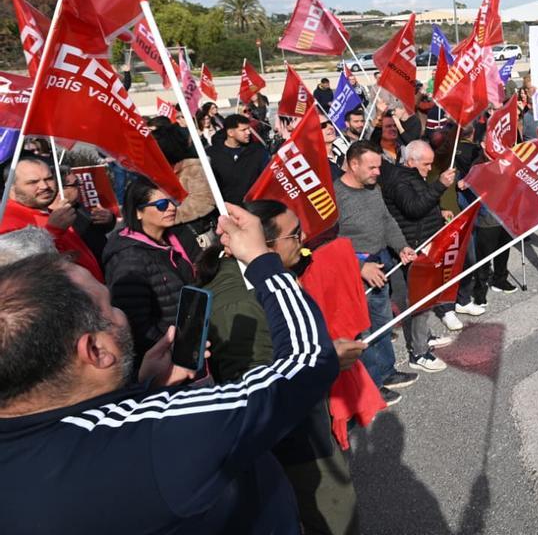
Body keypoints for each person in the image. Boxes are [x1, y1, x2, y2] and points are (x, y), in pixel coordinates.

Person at [0, 205, 341, 533]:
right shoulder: (156, 438)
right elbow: (306, 364)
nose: (121, 314)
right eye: (111, 306)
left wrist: (141, 389)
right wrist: (263, 263)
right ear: (95, 349)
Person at [197, 200, 365, 533]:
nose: (303, 239)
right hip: (294, 446)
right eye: (294, 235)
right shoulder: (238, 304)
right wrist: (326, 358)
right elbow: (261, 393)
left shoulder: (262, 279)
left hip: (301, 432)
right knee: (336, 521)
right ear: (264, 243)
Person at [333, 141, 425, 386]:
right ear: (353, 165)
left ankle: (386, 371)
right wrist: (359, 267)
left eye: (379, 167)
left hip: (380, 263)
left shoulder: (373, 188)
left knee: (382, 320)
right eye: (372, 167)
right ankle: (371, 385)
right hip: (354, 270)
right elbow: (327, 244)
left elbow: (386, 220)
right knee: (363, 329)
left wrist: (402, 246)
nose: (377, 172)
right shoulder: (335, 195)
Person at [102, 176, 199, 363]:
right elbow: (136, 325)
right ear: (138, 212)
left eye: (173, 201)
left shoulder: (175, 237)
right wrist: (170, 350)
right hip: (167, 357)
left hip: (190, 340)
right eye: (162, 205)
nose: (171, 208)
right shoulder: (129, 258)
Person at [380, 140, 465, 337]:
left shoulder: (415, 175)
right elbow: (414, 208)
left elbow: (424, 199)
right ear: (410, 161)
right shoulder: (401, 180)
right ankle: (420, 344)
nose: (429, 168)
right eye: (426, 164)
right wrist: (440, 186)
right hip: (413, 245)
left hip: (427, 239)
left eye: (431, 163)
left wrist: (440, 211)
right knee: (417, 295)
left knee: (429, 289)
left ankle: (427, 334)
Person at [0, 156, 103, 281]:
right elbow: (20, 269)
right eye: (33, 182)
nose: (44, 186)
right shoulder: (6, 220)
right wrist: (53, 231)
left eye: (49, 179)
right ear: (11, 186)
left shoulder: (46, 210)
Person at [58, 169, 117, 265]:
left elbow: (98, 230)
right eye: (75, 184)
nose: (80, 187)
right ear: (60, 188)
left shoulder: (77, 206)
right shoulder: (55, 217)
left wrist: (109, 219)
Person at [208, 114, 270, 203]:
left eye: (248, 129)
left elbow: (267, 176)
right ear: (230, 133)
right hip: (226, 208)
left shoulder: (258, 151)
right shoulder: (211, 154)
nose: (248, 132)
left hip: (253, 206)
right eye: (243, 130)